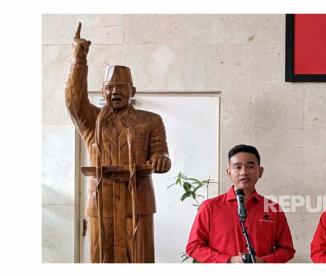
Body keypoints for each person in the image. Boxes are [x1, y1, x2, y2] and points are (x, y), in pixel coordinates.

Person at [65, 23, 171, 263]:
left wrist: (160, 160)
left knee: (140, 256)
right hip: (101, 198)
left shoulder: (151, 121)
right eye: (109, 87)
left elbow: (160, 152)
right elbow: (73, 101)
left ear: (132, 90)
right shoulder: (92, 121)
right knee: (102, 256)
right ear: (102, 92)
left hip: (138, 198)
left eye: (121, 87)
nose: (115, 92)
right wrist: (78, 61)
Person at [186, 144, 295, 263]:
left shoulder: (273, 208)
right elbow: (194, 247)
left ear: (260, 171)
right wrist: (229, 260)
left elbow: (287, 250)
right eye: (237, 167)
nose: (244, 172)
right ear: (229, 172)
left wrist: (263, 262)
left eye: (250, 166)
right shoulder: (210, 207)